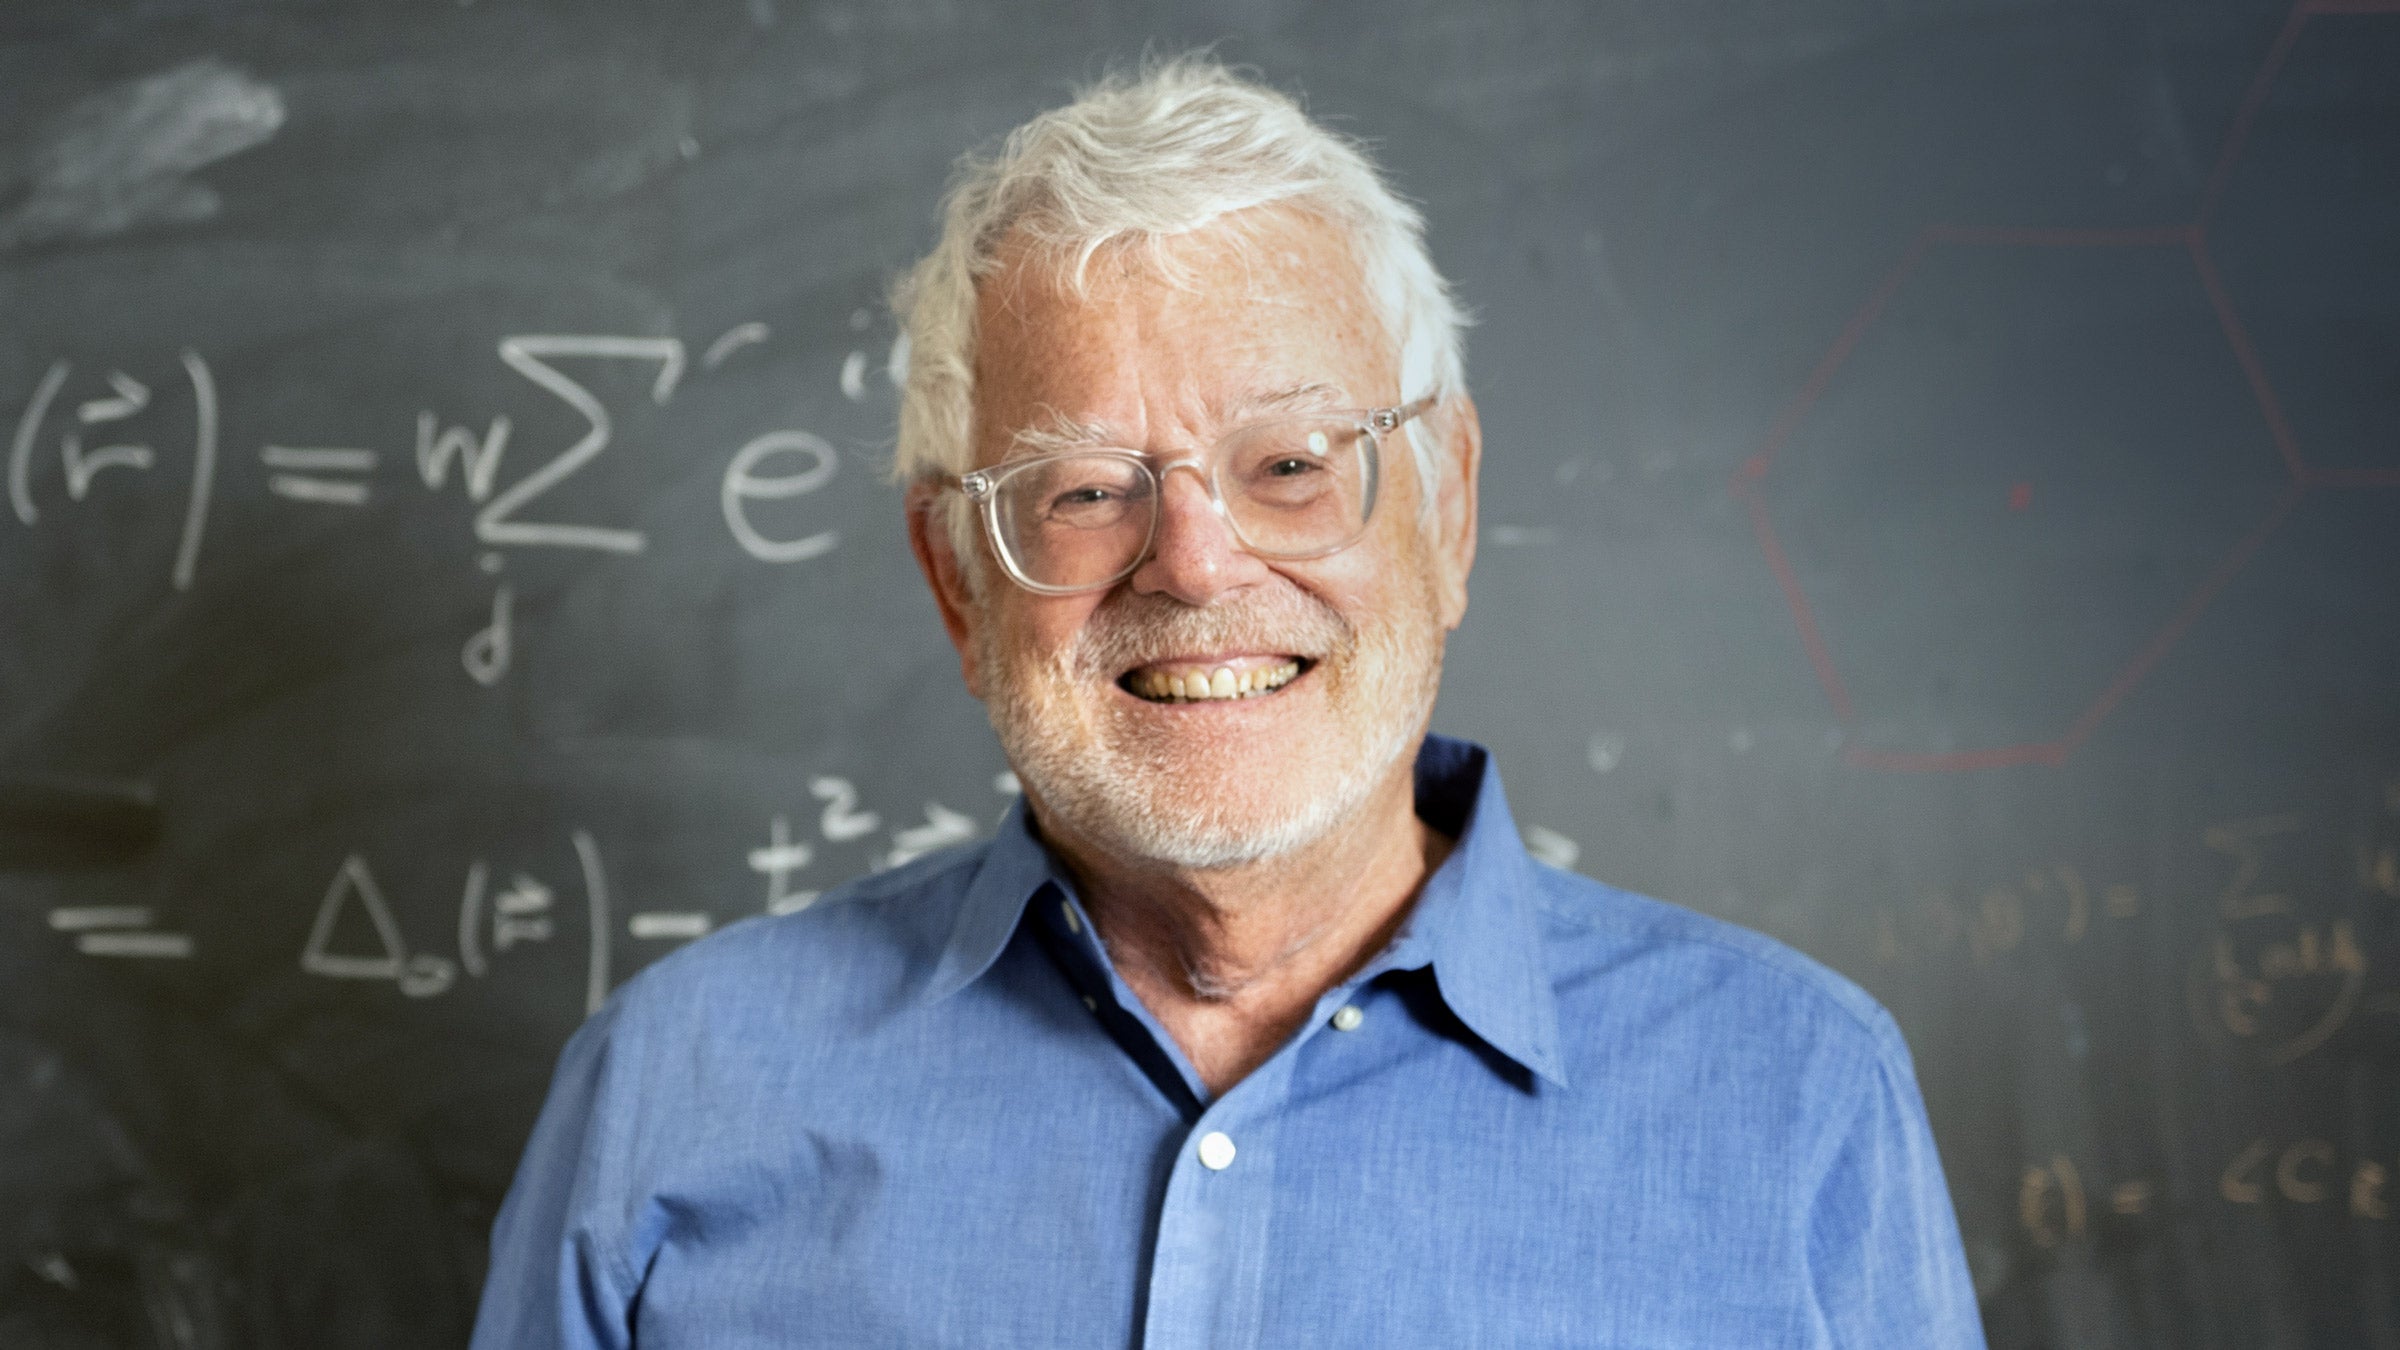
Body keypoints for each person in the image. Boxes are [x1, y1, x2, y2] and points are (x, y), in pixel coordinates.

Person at [471, 56, 1985, 1349]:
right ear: (957, 580)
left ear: (1449, 507)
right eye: (1083, 489)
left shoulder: (1795, 1098)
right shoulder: (671, 1097)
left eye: (1291, 463)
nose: (1195, 565)